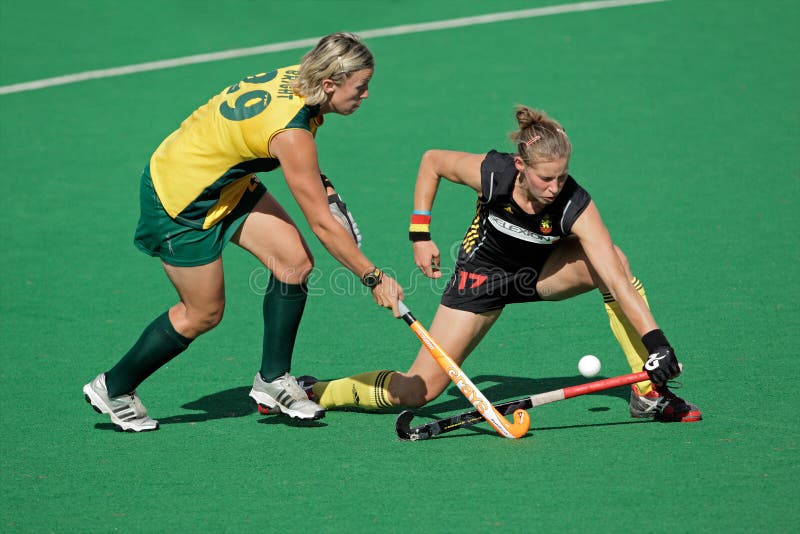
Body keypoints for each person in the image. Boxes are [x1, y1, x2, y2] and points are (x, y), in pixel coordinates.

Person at [83, 32, 403, 432]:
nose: (366, 95)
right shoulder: (292, 132)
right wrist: (373, 277)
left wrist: (325, 187)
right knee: (202, 313)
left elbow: (268, 145)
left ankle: (273, 380)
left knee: (293, 264)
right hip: (180, 199)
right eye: (361, 87)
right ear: (329, 84)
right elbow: (320, 221)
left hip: (223, 182)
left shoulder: (299, 80)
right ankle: (114, 387)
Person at [306, 105, 701, 423]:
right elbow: (432, 162)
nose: (555, 188)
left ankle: (648, 393)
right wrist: (420, 234)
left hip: (541, 275)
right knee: (417, 392)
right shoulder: (492, 174)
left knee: (612, 258)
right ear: (520, 166)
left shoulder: (574, 204)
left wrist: (657, 343)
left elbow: (617, 278)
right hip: (480, 281)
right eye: (546, 178)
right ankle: (318, 390)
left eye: (562, 177)